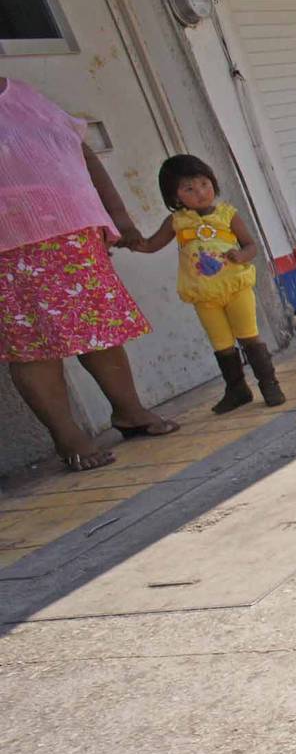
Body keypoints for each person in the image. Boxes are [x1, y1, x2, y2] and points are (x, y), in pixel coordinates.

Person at [0, 77, 178, 472]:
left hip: (71, 237)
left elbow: (81, 156)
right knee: (31, 347)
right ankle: (69, 437)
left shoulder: (28, 97)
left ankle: (130, 411)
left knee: (98, 329)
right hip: (8, 253)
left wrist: (119, 218)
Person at [129, 155, 284, 414]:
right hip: (203, 295)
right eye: (189, 188)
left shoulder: (227, 214)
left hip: (235, 288)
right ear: (175, 196)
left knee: (249, 337)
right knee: (221, 343)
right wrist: (127, 240)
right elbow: (150, 245)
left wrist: (241, 256)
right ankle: (237, 390)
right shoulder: (176, 222)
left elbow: (251, 245)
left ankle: (269, 384)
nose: (200, 192)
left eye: (204, 183)